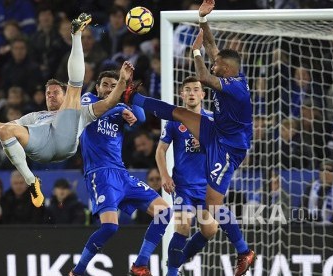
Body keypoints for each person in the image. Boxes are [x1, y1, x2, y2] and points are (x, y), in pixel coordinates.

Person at [121, 1, 256, 275]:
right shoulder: (228, 74)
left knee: (213, 209)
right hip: (218, 134)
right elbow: (213, 48)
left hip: (229, 148)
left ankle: (244, 252)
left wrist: (194, 51)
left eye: (217, 64)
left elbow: (204, 75)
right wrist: (203, 20)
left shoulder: (235, 87)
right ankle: (131, 95)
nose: (213, 62)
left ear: (226, 71)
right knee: (180, 113)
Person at [0, 13, 134, 209]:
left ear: (62, 95)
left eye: (55, 92)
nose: (50, 96)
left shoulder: (81, 110)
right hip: (40, 147)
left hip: (64, 144)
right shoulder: (35, 116)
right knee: (6, 130)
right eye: (47, 93)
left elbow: (109, 102)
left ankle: (76, 35)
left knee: (74, 92)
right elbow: (3, 128)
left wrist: (121, 83)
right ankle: (31, 181)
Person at [69, 70, 172, 276]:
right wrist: (117, 107)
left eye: (113, 85)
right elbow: (92, 113)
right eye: (105, 84)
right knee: (110, 228)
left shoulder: (120, 106)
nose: (108, 89)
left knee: (164, 212)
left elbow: (141, 118)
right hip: (100, 173)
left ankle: (140, 264)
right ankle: (78, 272)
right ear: (97, 87)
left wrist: (129, 98)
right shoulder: (89, 99)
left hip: (122, 173)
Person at [155, 76, 219, 275]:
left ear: (203, 94)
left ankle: (177, 261)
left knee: (210, 230)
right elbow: (160, 150)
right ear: (182, 95)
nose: (192, 93)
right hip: (183, 185)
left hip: (207, 186)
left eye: (196, 89)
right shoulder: (175, 120)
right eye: (187, 89)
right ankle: (172, 272)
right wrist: (165, 176)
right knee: (183, 225)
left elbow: (225, 149)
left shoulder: (213, 120)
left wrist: (209, 144)